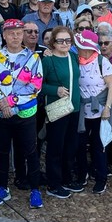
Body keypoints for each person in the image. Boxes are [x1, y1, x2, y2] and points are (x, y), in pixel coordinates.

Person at [0, 19, 44, 209]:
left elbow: (35, 86)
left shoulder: (33, 58)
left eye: (19, 33)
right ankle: (2, 188)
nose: (15, 36)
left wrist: (10, 103)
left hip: (25, 113)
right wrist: (0, 103)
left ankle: (35, 189)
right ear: (4, 35)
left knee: (30, 151)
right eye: (11, 33)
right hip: (2, 114)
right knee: (1, 151)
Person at [41, 26, 81, 199]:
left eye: (67, 40)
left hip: (74, 108)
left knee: (70, 146)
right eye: (60, 40)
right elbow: (37, 85)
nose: (64, 44)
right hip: (57, 108)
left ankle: (66, 178)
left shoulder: (73, 57)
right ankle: (54, 183)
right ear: (53, 42)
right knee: (56, 147)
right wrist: (54, 90)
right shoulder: (47, 61)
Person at [73, 30, 112, 192]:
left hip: (100, 111)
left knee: (99, 146)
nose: (77, 48)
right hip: (81, 111)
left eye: (80, 46)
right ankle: (82, 175)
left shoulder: (102, 62)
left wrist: (108, 108)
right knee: (80, 144)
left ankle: (101, 178)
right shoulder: (75, 60)